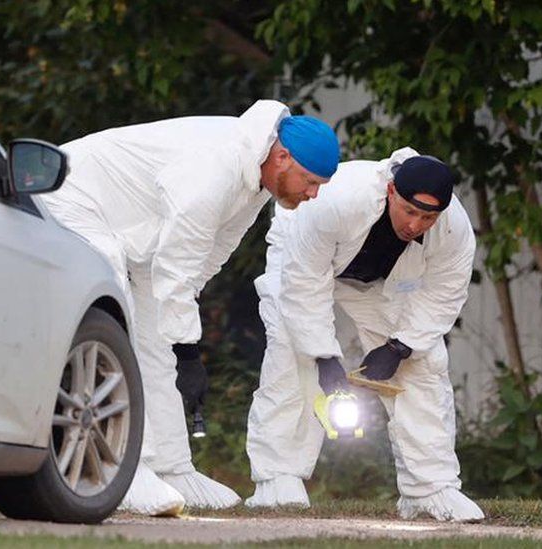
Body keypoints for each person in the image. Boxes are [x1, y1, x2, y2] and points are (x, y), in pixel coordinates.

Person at [39, 100, 340, 515]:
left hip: (134, 229)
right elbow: (178, 262)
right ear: (282, 158)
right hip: (69, 194)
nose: (314, 194)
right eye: (310, 181)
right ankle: (125, 466)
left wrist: (180, 337)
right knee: (116, 313)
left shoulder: (256, 180)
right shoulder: (217, 167)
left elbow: (207, 256)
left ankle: (172, 467)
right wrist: (187, 352)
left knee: (157, 337)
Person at [244, 148, 485, 522]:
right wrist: (325, 357)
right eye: (409, 211)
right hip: (302, 259)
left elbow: (444, 294)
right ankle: (278, 479)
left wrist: (400, 347)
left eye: (428, 217)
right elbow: (304, 286)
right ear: (391, 191)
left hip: (376, 280)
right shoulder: (335, 201)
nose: (416, 225)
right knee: (292, 355)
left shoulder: (454, 229)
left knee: (423, 364)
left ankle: (429, 489)